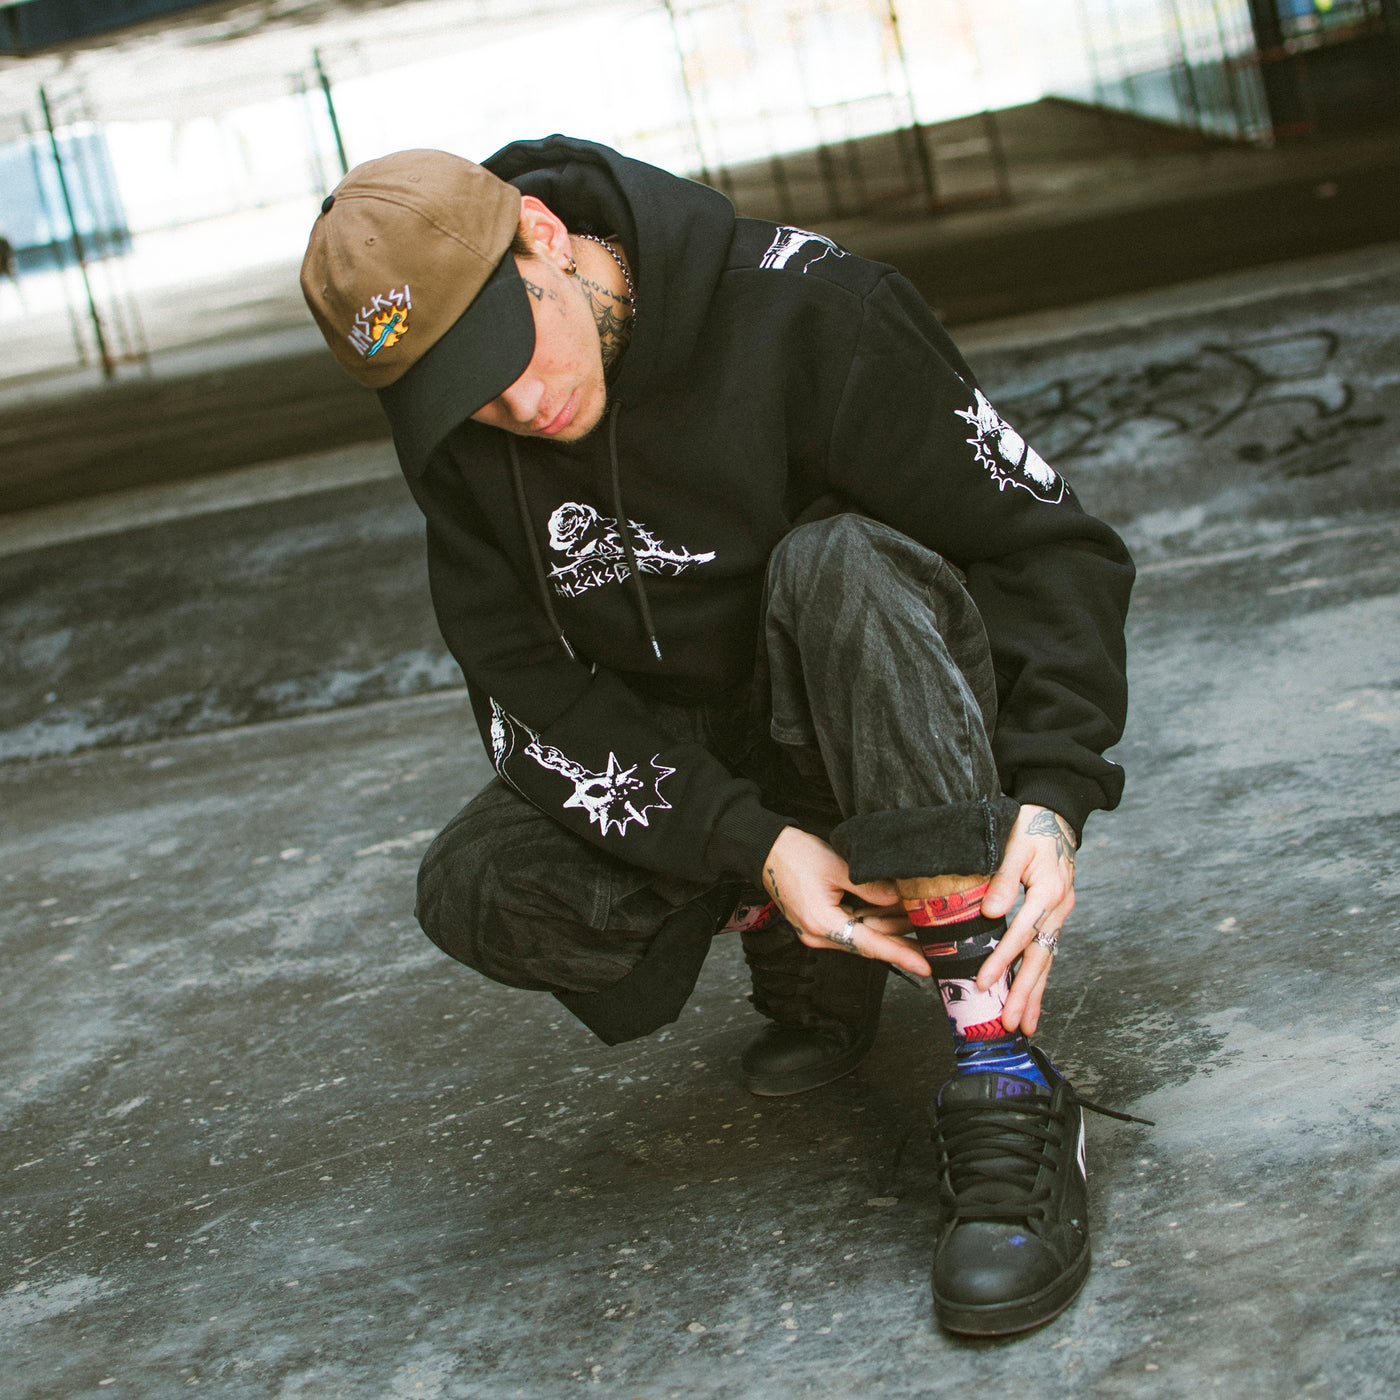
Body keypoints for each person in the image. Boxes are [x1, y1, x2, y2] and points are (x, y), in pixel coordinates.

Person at [300, 137, 1135, 1336]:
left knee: (835, 565)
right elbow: (522, 687)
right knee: (482, 885)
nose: (520, 406)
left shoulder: (811, 310)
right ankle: (799, 922)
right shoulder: (466, 431)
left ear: (543, 234)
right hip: (716, 745)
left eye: (509, 349)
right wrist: (748, 843)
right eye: (468, 392)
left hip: (880, 687)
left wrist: (1053, 790)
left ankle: (1001, 1068)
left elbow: (1050, 548)